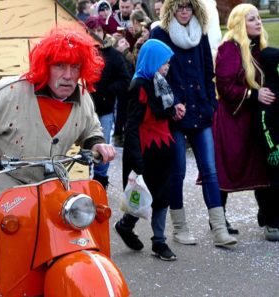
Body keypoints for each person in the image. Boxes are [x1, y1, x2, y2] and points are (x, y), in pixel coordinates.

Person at [0, 26, 116, 297]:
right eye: (60, 66)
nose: (68, 75)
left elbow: (91, 129)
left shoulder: (81, 98)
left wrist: (97, 144)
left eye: (75, 67)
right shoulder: (13, 91)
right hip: (1, 184)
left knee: (71, 239)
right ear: (45, 65)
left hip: (49, 186)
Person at [150, 0, 237, 247]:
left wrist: (211, 103)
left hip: (201, 110)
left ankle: (219, 229)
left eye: (188, 6)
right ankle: (180, 227)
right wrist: (172, 103)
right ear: (171, 9)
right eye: (180, 7)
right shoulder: (160, 33)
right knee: (177, 171)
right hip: (174, 114)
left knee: (210, 169)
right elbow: (156, 74)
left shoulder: (202, 31)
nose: (184, 11)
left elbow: (209, 73)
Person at [212, 3, 278, 242]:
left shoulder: (260, 49)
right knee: (226, 168)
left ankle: (269, 217)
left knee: (263, 167)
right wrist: (253, 94)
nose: (258, 22)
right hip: (233, 120)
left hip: (256, 120)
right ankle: (218, 220)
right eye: (252, 19)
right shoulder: (229, 49)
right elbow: (225, 86)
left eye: (259, 18)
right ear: (240, 23)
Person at [115, 39, 180, 261]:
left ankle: (159, 241)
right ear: (152, 61)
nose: (167, 66)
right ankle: (126, 225)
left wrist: (174, 110)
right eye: (164, 62)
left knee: (163, 195)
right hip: (147, 149)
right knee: (142, 193)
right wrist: (136, 158)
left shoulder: (161, 82)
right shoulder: (140, 86)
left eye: (168, 63)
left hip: (164, 147)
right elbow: (131, 126)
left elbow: (164, 111)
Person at [85, 16, 132, 188]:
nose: (96, 34)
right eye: (92, 31)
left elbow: (125, 79)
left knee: (102, 145)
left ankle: (100, 181)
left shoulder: (112, 54)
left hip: (104, 108)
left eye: (98, 30)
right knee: (84, 145)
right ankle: (84, 180)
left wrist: (107, 91)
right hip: (83, 109)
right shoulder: (83, 51)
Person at [258, 46, 279, 241]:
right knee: (273, 184)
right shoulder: (269, 94)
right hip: (273, 147)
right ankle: (271, 220)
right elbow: (265, 122)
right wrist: (273, 147)